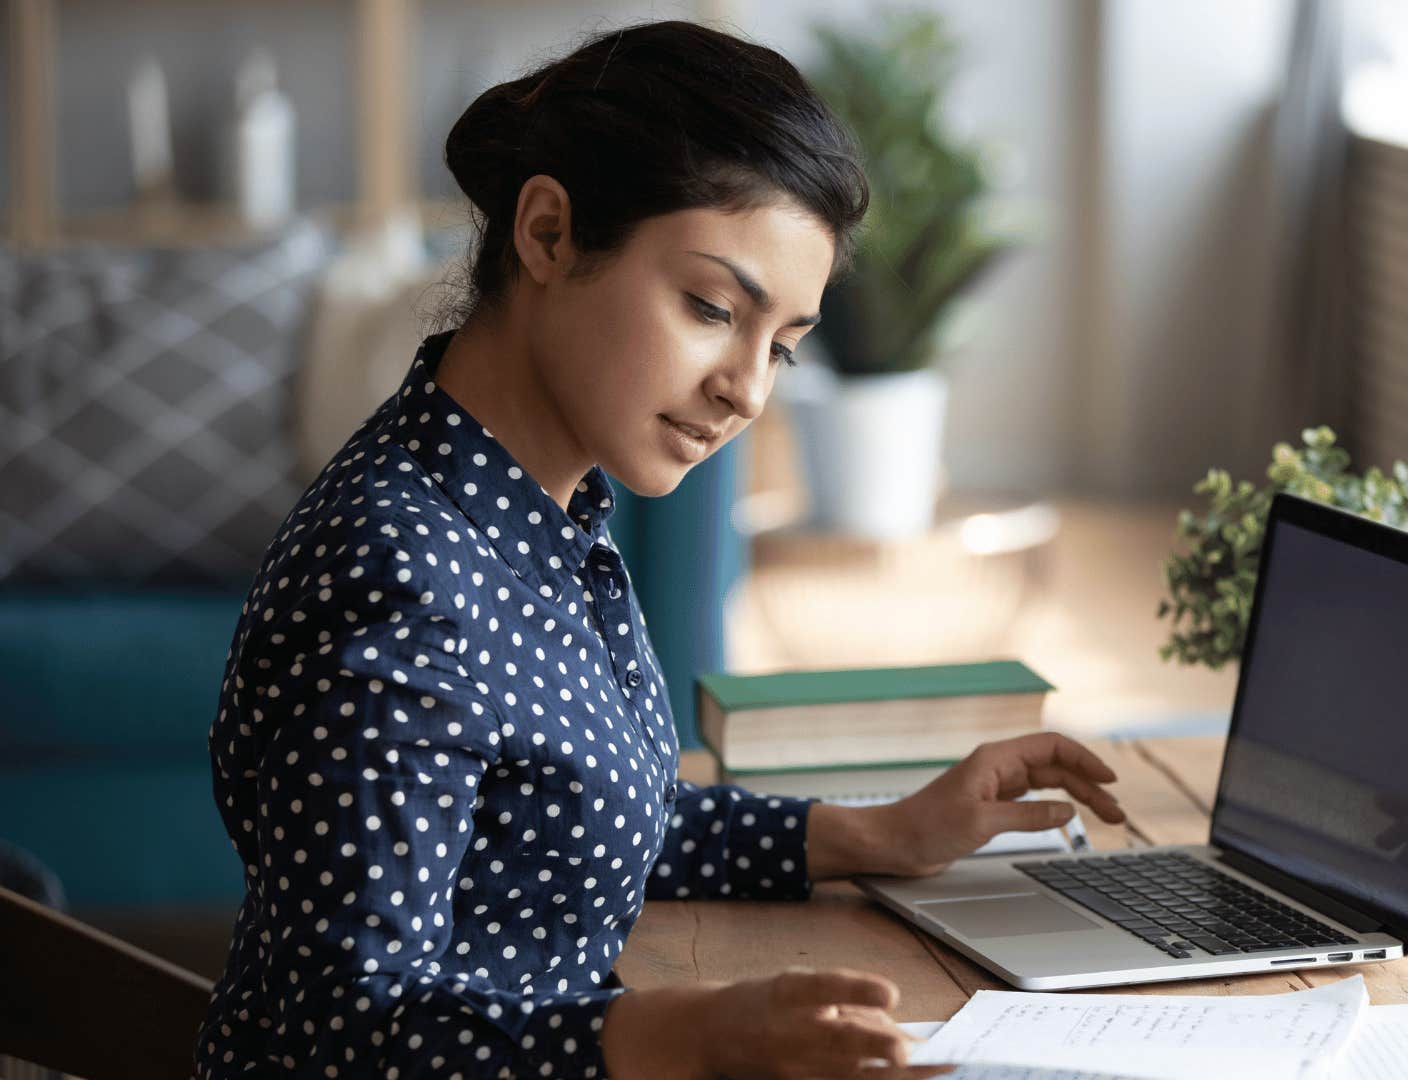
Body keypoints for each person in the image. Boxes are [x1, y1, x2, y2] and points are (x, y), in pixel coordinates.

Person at [193, 20, 1126, 1080]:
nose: (748, 388)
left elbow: (563, 827)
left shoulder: (541, 514)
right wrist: (684, 1035)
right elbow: (341, 1042)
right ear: (548, 233)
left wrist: (886, 834)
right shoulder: (399, 577)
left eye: (781, 345)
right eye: (711, 308)